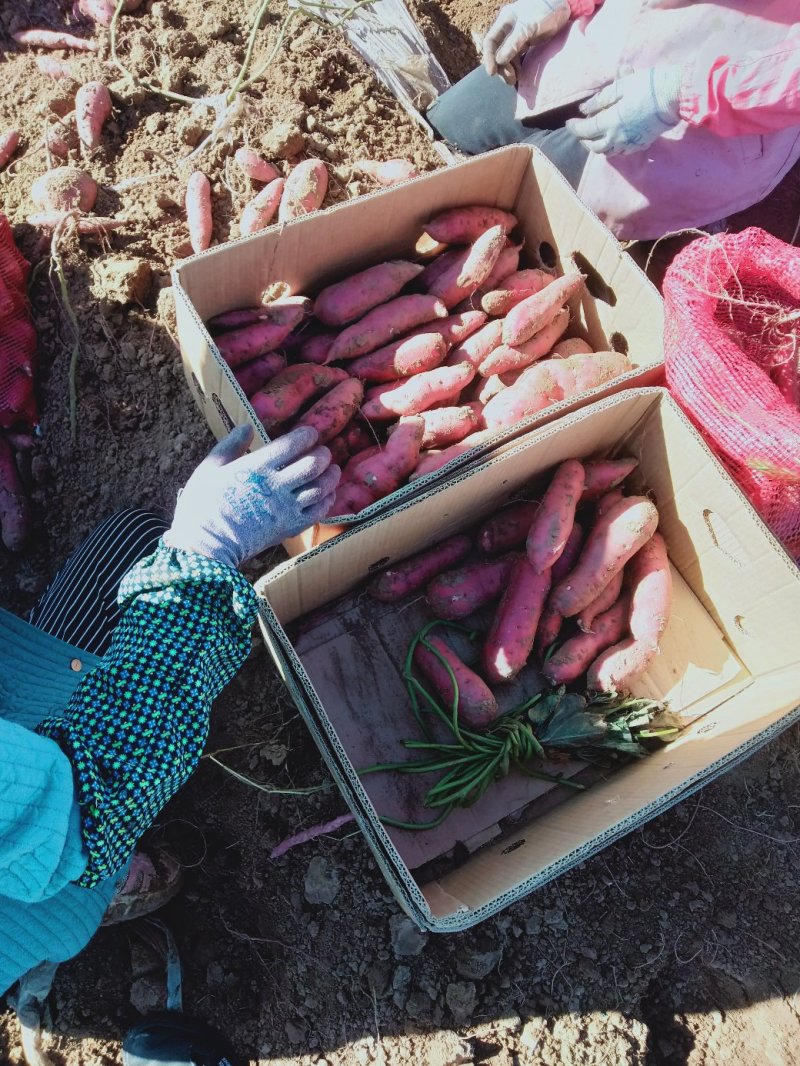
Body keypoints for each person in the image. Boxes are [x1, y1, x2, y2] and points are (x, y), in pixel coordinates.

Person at [0, 424, 339, 1036]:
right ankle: (88, 885)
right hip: (61, 820)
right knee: (76, 842)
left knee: (133, 540)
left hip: (16, 709)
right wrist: (205, 548)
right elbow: (89, 796)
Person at [426, 1, 800, 241]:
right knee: (449, 127)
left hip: (736, 92)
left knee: (518, 209)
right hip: (623, 24)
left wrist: (677, 92)